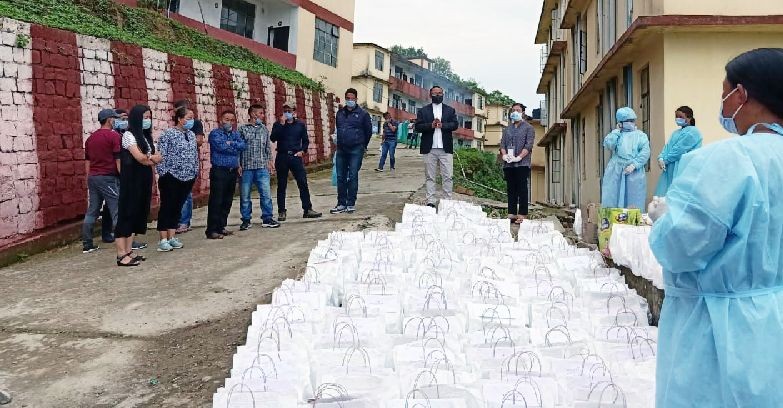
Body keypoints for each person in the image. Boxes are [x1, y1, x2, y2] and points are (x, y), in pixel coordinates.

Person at [648, 48, 783, 407]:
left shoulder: (728, 160)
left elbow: (681, 246)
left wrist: (663, 222)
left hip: (720, 332)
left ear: (741, 94)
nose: (722, 104)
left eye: (724, 94)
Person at [115, 105, 160, 266]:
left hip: (143, 179)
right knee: (126, 214)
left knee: (137, 214)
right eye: (144, 117)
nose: (147, 120)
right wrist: (153, 158)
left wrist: (151, 158)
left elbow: (150, 157)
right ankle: (121, 254)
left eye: (149, 117)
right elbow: (141, 157)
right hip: (131, 180)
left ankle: (129, 251)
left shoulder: (145, 137)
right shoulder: (128, 135)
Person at [156, 106, 198, 251]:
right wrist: (164, 173)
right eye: (188, 118)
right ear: (179, 119)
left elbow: (194, 154)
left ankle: (172, 236)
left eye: (192, 118)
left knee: (177, 207)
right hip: (171, 176)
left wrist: (195, 171)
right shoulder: (168, 134)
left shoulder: (191, 135)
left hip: (188, 177)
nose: (191, 121)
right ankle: (163, 239)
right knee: (167, 207)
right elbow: (161, 154)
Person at [270, 103, 322, 220]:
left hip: (295, 156)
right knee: (281, 185)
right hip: (282, 156)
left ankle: (307, 209)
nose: (287, 113)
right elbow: (273, 138)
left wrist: (302, 151)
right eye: (285, 111)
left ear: (294, 112)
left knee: (302, 182)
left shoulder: (300, 125)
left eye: (289, 111)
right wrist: (281, 125)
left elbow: (305, 141)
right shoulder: (278, 124)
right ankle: (281, 211)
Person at [81, 109, 121, 254]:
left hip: (94, 177)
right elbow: (118, 160)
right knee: (117, 209)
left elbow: (87, 162)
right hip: (108, 177)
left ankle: (87, 243)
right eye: (114, 119)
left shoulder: (90, 139)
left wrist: (89, 177)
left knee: (92, 210)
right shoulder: (114, 136)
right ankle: (124, 241)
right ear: (109, 120)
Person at [415, 85, 459, 208]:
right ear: (430, 95)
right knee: (430, 176)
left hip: (446, 148)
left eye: (440, 93)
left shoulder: (450, 110)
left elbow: (455, 125)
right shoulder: (423, 111)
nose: (438, 95)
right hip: (429, 148)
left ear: (443, 94)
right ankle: (431, 201)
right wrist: (431, 125)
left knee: (448, 176)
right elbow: (418, 127)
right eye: (435, 93)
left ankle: (447, 201)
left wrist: (442, 125)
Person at [204, 110, 245, 239]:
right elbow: (221, 147)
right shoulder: (215, 134)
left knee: (227, 201)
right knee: (217, 201)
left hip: (232, 171)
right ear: (221, 120)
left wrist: (231, 144)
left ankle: (221, 226)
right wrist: (234, 146)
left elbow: (243, 145)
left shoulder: (235, 134)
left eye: (232, 120)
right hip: (219, 171)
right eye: (226, 119)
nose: (229, 122)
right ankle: (212, 230)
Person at [600, 107, 651, 210]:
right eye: (628, 121)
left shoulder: (640, 136)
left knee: (634, 200)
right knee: (613, 197)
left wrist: (635, 165)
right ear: (620, 122)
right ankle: (611, 223)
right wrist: (616, 131)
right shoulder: (617, 135)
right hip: (616, 171)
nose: (631, 123)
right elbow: (609, 144)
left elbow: (645, 151)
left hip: (634, 173)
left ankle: (632, 223)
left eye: (632, 120)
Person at [238, 104, 279, 230]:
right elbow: (238, 148)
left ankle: (267, 218)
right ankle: (246, 219)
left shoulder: (264, 129)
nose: (262, 116)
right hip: (247, 167)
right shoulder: (242, 129)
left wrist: (270, 162)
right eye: (260, 113)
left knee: (266, 194)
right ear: (253, 114)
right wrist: (238, 164)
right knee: (245, 195)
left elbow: (267, 147)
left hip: (261, 166)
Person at [332, 88, 372, 214]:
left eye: (352, 98)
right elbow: (338, 129)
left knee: (353, 175)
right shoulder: (340, 113)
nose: (350, 100)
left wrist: (362, 145)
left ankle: (350, 203)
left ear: (356, 99)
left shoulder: (363, 114)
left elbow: (368, 132)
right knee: (340, 176)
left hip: (356, 149)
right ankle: (341, 203)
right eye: (348, 98)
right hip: (341, 149)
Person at [654, 106, 702, 196]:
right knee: (666, 195)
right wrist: (660, 157)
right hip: (670, 168)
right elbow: (668, 147)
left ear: (689, 118)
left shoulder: (693, 132)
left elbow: (679, 149)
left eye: (681, 117)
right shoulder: (676, 133)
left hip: (683, 168)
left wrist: (666, 160)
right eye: (676, 116)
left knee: (680, 194)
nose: (677, 119)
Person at [173, 100, 205, 234]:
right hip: (176, 167)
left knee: (186, 195)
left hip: (189, 164)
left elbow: (199, 141)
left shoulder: (194, 126)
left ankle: (185, 222)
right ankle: (178, 220)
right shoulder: (173, 129)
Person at [500, 103, 535, 224]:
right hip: (509, 163)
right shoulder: (507, 129)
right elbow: (502, 144)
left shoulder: (528, 128)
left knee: (522, 189)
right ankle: (512, 213)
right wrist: (504, 155)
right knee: (511, 189)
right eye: (513, 110)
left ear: (523, 112)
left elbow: (529, 145)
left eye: (518, 110)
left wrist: (519, 157)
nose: (515, 112)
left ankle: (523, 213)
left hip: (522, 163)